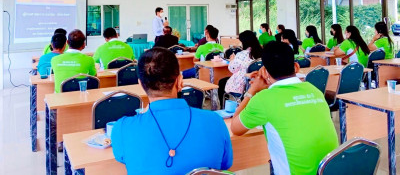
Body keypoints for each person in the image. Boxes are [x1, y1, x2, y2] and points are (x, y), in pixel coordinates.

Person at [111, 48, 233, 174]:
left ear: (141, 85)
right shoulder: (215, 121)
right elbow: (224, 165)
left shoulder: (122, 128)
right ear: (180, 81)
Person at [231, 41, 338, 175]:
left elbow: (235, 128)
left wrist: (252, 90)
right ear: (296, 67)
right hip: (330, 170)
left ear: (264, 71)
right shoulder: (315, 90)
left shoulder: (264, 99)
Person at [218, 30, 263, 104]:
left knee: (222, 82)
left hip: (242, 84)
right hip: (257, 82)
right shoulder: (261, 52)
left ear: (244, 42)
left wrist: (232, 60)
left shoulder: (241, 54)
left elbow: (232, 69)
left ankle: (224, 106)